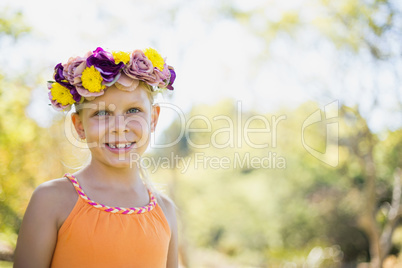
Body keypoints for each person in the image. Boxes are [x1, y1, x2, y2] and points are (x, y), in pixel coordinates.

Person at [13, 47, 178, 267]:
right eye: (101, 113)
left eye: (133, 111)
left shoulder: (165, 211)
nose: (119, 127)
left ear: (154, 119)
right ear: (79, 126)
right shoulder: (51, 200)